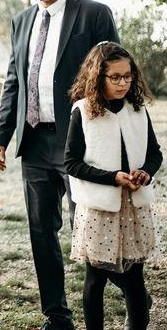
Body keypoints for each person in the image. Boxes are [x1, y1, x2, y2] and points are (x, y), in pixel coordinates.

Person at [0, 0, 119, 330]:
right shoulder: (21, 21)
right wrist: (1, 134)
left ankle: (132, 290)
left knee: (92, 229)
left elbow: (116, 77)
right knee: (41, 232)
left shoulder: (94, 14)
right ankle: (57, 316)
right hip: (34, 141)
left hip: (81, 143)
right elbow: (14, 80)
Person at [65, 42, 161, 330]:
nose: (123, 83)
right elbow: (72, 163)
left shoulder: (137, 110)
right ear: (98, 76)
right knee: (96, 278)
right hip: (99, 208)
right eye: (115, 77)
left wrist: (145, 172)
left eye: (128, 76)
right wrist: (112, 177)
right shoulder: (83, 111)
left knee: (134, 280)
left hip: (134, 207)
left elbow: (155, 153)